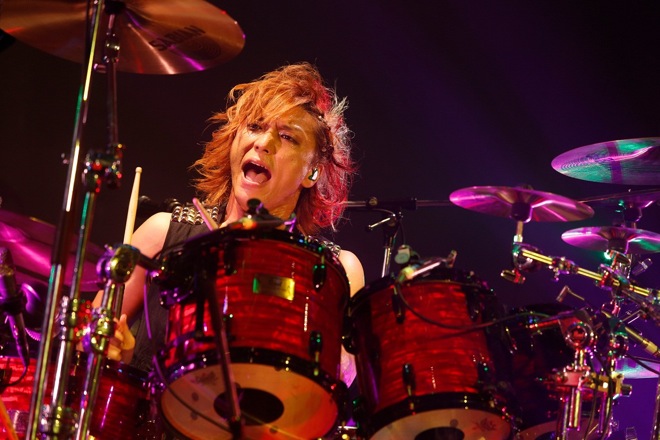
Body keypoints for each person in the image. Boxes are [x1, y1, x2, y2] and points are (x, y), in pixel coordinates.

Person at [95, 62, 364, 385]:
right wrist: (115, 356)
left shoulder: (337, 272)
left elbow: (337, 385)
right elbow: (88, 343)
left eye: (287, 137)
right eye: (254, 126)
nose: (263, 142)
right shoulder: (161, 234)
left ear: (313, 171)